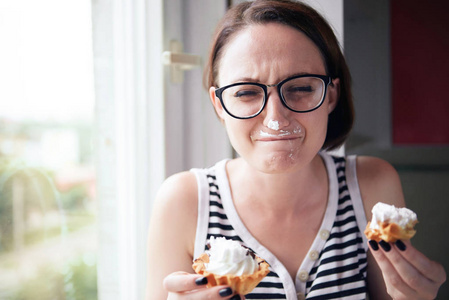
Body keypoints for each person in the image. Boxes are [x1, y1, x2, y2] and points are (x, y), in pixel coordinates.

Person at [146, 1, 446, 299]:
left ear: (331, 96)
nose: (276, 119)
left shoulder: (371, 184)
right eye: (247, 92)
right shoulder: (184, 202)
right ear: (219, 105)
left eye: (301, 88)